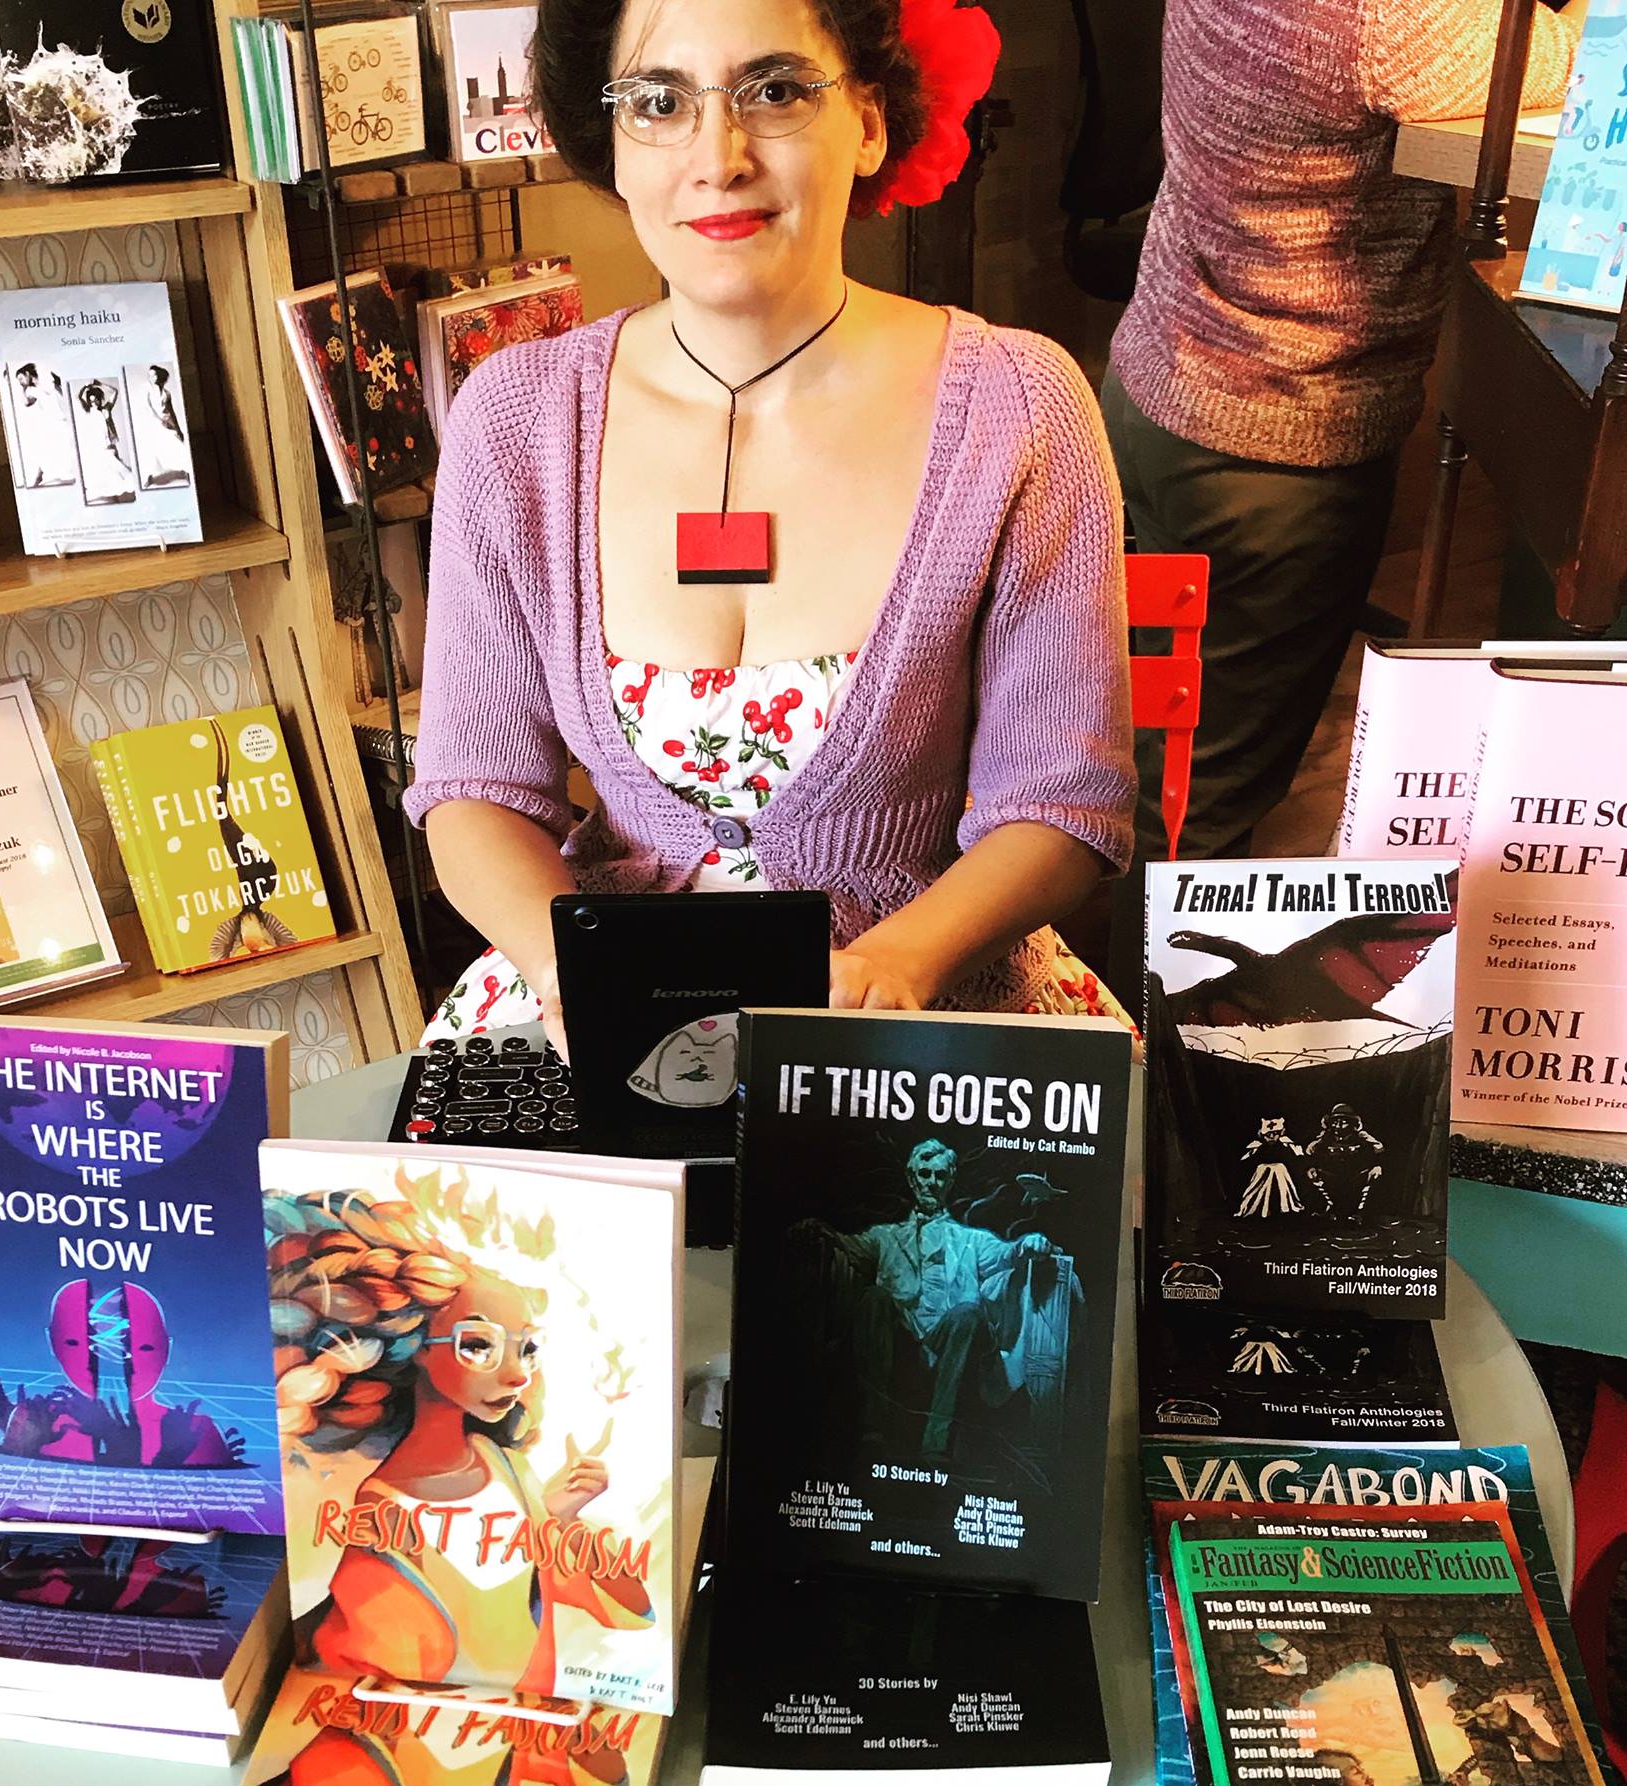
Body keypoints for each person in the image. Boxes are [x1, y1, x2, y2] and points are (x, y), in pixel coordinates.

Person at [405, 0, 1135, 1056]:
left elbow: (1064, 803)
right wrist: (570, 963)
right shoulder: (512, 420)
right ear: (608, 139)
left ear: (873, 122)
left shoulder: (1019, 404)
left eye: (778, 90)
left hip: (928, 983)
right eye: (658, 101)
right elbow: (474, 789)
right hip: (598, 989)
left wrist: (898, 963)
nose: (718, 156)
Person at [1103, 0, 1581, 862]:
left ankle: (1108, 972)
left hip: (1158, 384)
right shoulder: (1387, 16)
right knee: (1199, 809)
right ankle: (1146, 995)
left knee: (1151, 753)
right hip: (1277, 441)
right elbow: (1576, 58)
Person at [267, 1189, 654, 1695]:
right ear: (415, 1347)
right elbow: (380, 1665)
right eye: (478, 1345)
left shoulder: (505, 1463)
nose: (518, 1375)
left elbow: (626, 1611)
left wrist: (551, 1516)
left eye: (528, 1349)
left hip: (515, 1742)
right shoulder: (380, 1513)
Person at [800, 1136, 1063, 1458]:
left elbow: (1008, 1254)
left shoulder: (971, 1241)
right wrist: (819, 1233)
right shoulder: (885, 1238)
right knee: (874, 1298)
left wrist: (1029, 1242)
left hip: (951, 1340)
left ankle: (936, 1441)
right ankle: (873, 1430)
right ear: (912, 1179)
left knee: (967, 1312)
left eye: (940, 1176)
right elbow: (845, 1245)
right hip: (900, 1342)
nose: (932, 1183)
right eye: (925, 1174)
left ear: (950, 1181)